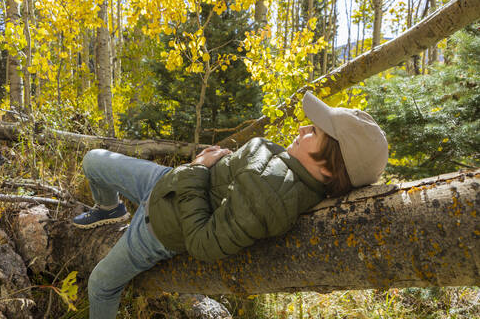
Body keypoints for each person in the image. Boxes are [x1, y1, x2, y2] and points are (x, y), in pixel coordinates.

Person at [72, 91, 388, 318]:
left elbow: (201, 242)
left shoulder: (271, 197)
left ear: (330, 168)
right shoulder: (290, 168)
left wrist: (197, 167)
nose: (303, 128)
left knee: (100, 284)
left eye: (315, 132)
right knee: (94, 160)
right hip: (168, 183)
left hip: (158, 228)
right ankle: (110, 210)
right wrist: (207, 167)